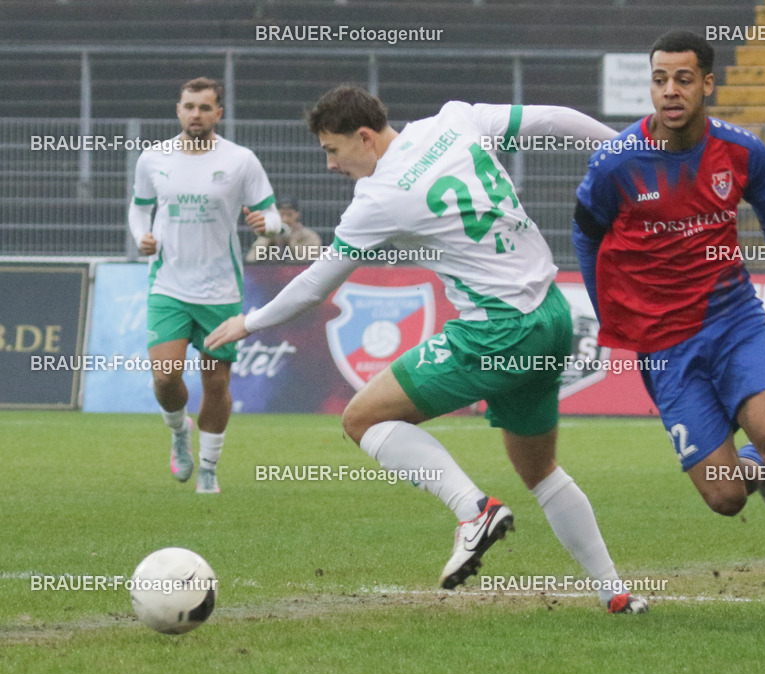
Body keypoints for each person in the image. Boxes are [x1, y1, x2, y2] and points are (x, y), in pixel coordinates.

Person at [206, 85, 647, 613]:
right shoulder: (454, 118)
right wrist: (625, 149)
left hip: (497, 330)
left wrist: (249, 321)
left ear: (364, 138)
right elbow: (554, 117)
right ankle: (615, 592)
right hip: (553, 317)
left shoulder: (377, 198)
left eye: (332, 149)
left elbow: (315, 285)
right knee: (540, 469)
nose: (330, 164)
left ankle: (473, 510)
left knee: (362, 420)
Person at [572, 30, 765, 627]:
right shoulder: (615, 163)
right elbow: (586, 235)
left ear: (707, 83)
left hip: (733, 319)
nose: (670, 90)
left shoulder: (742, 153)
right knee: (725, 498)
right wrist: (608, 313)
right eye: (660, 79)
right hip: (663, 343)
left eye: (683, 78)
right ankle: (752, 469)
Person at [128, 77, 282, 494]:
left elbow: (273, 216)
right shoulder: (153, 158)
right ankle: (180, 433)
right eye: (189, 106)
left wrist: (264, 224)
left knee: (216, 383)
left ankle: (210, 466)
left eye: (205, 107)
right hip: (169, 284)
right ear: (178, 110)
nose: (196, 114)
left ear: (219, 113)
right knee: (164, 376)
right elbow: (140, 209)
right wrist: (140, 236)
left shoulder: (240, 160)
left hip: (220, 291)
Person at [245, 196, 323, 263]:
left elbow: (314, 261)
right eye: (281, 215)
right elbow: (251, 259)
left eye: (290, 215)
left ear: (297, 215)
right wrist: (267, 239)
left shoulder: (309, 236)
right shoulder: (270, 234)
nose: (285, 219)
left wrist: (292, 241)